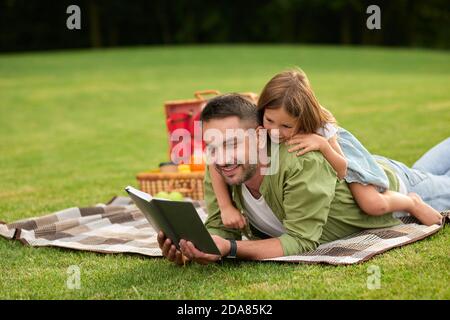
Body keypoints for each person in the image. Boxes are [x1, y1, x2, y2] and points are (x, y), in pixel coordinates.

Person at [157, 94, 449, 265]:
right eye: (212, 146)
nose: (221, 157)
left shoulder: (298, 161)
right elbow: (221, 228)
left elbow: (301, 242)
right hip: (378, 169)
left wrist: (231, 249)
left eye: (232, 143)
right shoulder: (221, 169)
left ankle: (413, 202)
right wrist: (192, 248)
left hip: (398, 186)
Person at [210, 69, 442, 228]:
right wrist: (225, 207)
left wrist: (322, 145)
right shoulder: (264, 121)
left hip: (348, 159)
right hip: (392, 168)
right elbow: (213, 159)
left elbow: (342, 169)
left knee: (373, 204)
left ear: (302, 121)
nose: (275, 132)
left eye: (286, 126)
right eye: (270, 121)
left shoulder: (322, 129)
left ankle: (412, 202)